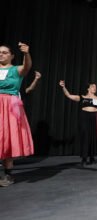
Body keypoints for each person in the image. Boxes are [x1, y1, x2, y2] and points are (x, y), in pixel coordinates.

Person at [59, 80, 97, 166]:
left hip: (94, 117)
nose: (94, 88)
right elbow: (68, 95)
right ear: (88, 88)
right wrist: (63, 87)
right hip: (85, 117)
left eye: (95, 87)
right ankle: (84, 158)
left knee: (93, 137)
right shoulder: (82, 97)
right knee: (85, 137)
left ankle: (92, 157)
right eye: (92, 86)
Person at [0, 43, 33, 187]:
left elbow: (27, 67)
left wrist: (26, 54)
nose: (1, 54)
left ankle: (8, 176)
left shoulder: (15, 70)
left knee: (6, 139)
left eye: (5, 52)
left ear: (12, 56)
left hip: (9, 107)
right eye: (0, 52)